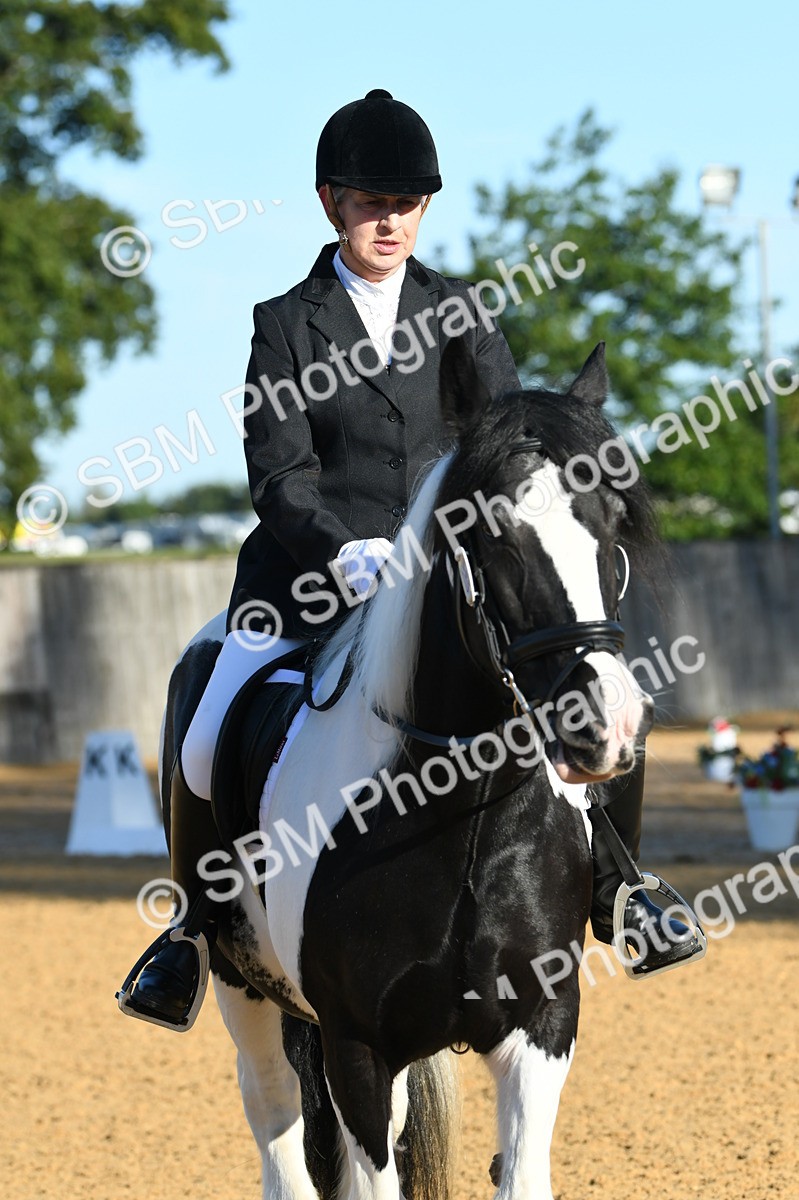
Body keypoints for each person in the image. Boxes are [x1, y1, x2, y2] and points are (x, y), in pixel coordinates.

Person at [122, 90, 703, 1030]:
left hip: (448, 581)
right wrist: (340, 550)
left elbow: (510, 445)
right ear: (330, 204)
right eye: (366, 200)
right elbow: (278, 474)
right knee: (204, 724)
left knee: (592, 691)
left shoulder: (462, 311)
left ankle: (620, 889)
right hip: (310, 579)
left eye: (405, 203)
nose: (386, 219)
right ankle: (195, 930)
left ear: (423, 209)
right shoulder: (285, 323)